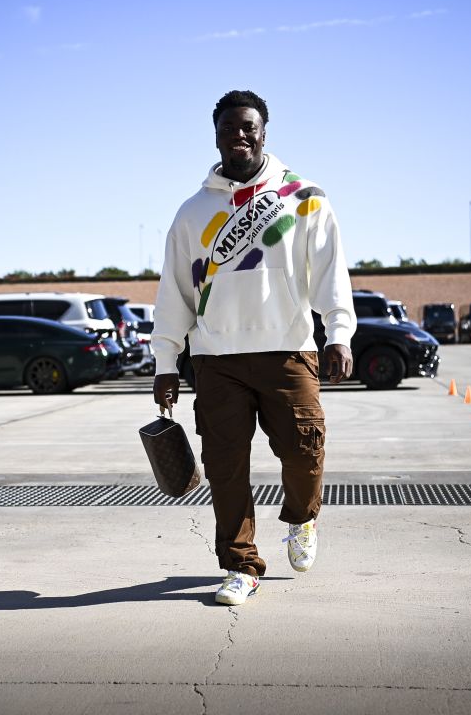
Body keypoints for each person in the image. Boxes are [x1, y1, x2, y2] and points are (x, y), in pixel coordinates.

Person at [151, 90, 356, 606]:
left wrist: (338, 332)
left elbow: (332, 270)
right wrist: (165, 360)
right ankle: (240, 565)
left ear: (265, 131)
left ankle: (303, 519)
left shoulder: (303, 196)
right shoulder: (193, 212)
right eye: (228, 128)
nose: (239, 136)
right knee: (225, 466)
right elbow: (174, 291)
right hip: (216, 357)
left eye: (249, 127)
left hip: (288, 349)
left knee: (304, 450)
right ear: (216, 134)